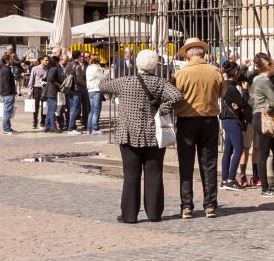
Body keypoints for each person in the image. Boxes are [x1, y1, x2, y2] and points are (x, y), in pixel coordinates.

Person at [109, 48, 182, 223]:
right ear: (154, 65)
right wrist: (162, 109)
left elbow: (104, 85)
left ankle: (129, 215)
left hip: (128, 133)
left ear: (137, 64)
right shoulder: (160, 83)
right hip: (153, 133)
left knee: (131, 175)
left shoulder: (125, 82)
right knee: (154, 173)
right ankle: (154, 213)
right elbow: (177, 96)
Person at [172, 39, 224, 219]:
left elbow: (173, 95)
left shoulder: (181, 73)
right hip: (209, 119)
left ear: (188, 54)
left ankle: (186, 206)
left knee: (186, 164)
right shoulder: (215, 71)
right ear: (202, 53)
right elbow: (222, 92)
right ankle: (210, 205)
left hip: (186, 120)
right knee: (209, 163)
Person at [248, 53, 274, 194]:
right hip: (263, 117)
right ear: (269, 66)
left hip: (259, 116)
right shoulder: (264, 81)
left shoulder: (256, 80)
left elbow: (251, 100)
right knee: (264, 152)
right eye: (273, 64)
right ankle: (265, 188)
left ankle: (273, 183)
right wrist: (270, 108)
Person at [0, 49, 20, 133]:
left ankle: (8, 127)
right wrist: (9, 93)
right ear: (6, 60)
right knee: (7, 113)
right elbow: (4, 84)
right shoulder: (6, 70)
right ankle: (6, 129)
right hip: (8, 94)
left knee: (8, 112)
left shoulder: (6, 69)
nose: (12, 60)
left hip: (8, 93)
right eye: (11, 59)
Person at [85, 55, 109, 132]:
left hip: (90, 90)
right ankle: (95, 128)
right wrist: (104, 72)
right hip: (96, 89)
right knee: (96, 110)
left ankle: (89, 128)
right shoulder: (96, 68)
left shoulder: (88, 67)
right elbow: (103, 78)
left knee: (92, 110)